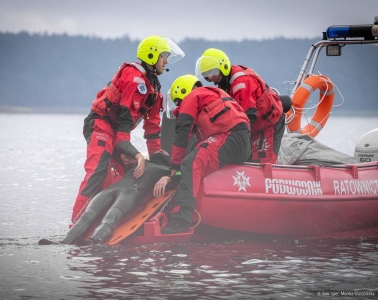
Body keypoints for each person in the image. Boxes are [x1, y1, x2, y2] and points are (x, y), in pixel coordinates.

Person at [71, 35, 185, 224]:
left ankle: (106, 220)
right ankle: (76, 223)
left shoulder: (153, 88)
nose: (166, 60)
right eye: (164, 55)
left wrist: (160, 157)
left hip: (116, 133)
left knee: (125, 176)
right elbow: (123, 134)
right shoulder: (134, 80)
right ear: (151, 55)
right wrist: (137, 155)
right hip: (101, 125)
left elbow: (152, 129)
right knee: (97, 171)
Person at [160, 75, 252, 234]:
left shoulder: (192, 96)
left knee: (192, 163)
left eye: (177, 103)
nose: (178, 107)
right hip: (243, 141)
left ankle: (181, 220)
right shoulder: (212, 95)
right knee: (193, 158)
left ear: (183, 92)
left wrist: (175, 166)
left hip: (229, 136)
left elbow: (182, 132)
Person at [195, 48, 285, 164]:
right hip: (255, 125)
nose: (211, 77)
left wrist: (236, 138)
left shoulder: (241, 83)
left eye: (212, 72)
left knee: (261, 162)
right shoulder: (225, 83)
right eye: (206, 74)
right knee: (246, 158)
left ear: (224, 67)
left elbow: (248, 115)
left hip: (269, 124)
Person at [63, 152, 172, 245]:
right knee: (88, 214)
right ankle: (64, 242)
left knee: (111, 215)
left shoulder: (167, 170)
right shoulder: (139, 163)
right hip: (113, 190)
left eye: (164, 152)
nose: (161, 152)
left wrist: (168, 178)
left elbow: (182, 175)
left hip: (130, 193)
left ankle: (94, 241)